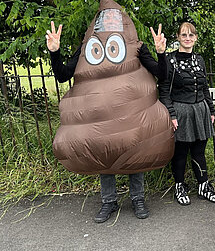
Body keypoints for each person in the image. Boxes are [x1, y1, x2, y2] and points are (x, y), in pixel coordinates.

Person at [46, 18, 166, 223]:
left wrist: (161, 53)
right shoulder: (87, 49)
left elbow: (160, 73)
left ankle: (137, 198)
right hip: (101, 116)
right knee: (103, 150)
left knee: (135, 150)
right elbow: (63, 75)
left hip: (130, 112)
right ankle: (109, 201)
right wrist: (54, 52)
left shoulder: (136, 47)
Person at [157, 22, 215, 206]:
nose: (187, 38)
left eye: (191, 35)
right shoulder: (170, 60)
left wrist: (211, 109)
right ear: (177, 38)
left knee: (199, 152)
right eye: (184, 35)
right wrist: (171, 115)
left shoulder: (199, 59)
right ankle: (179, 186)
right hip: (180, 111)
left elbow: (205, 87)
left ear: (196, 38)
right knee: (180, 153)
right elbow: (164, 90)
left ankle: (203, 186)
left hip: (200, 110)